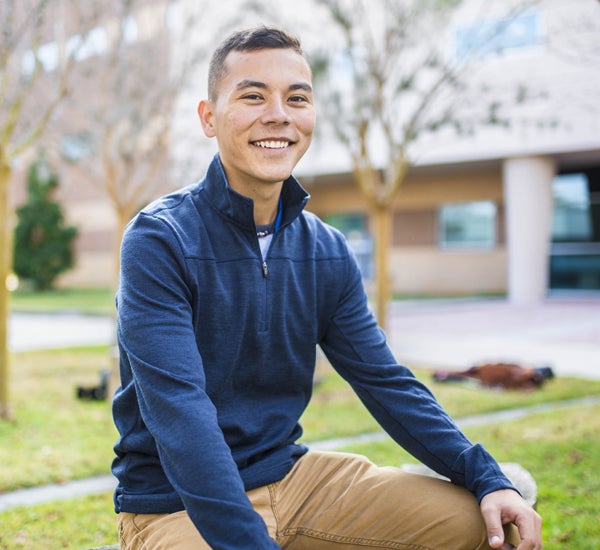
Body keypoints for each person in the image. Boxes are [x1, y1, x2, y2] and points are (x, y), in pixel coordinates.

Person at [111, 26, 542, 550]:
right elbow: (180, 416)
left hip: (294, 479)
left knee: (486, 520)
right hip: (176, 503)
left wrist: (487, 476)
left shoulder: (327, 250)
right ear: (208, 117)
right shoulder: (160, 239)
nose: (278, 115)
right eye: (253, 96)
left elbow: (386, 382)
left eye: (296, 98)